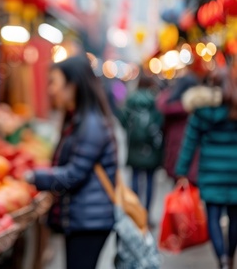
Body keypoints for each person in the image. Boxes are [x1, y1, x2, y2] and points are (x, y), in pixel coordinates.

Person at [24, 55, 117, 269]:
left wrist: (32, 176)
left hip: (89, 222)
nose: (50, 89)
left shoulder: (91, 124)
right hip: (85, 219)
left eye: (54, 82)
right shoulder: (79, 119)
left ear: (73, 85)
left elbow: (73, 174)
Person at [176, 66, 237, 269]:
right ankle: (230, 254)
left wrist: (181, 170)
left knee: (213, 217)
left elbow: (190, 141)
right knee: (235, 218)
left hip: (211, 172)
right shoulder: (234, 106)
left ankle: (222, 260)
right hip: (235, 172)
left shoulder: (201, 109)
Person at [120, 71, 163, 214]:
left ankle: (135, 212)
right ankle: (147, 212)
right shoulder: (155, 100)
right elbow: (160, 122)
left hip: (134, 145)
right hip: (151, 146)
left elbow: (123, 119)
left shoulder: (131, 99)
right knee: (150, 179)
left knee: (135, 177)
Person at [155, 73, 200, 184]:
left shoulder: (169, 108)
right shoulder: (198, 109)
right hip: (195, 157)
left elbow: (162, 127)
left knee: (179, 191)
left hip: (174, 152)